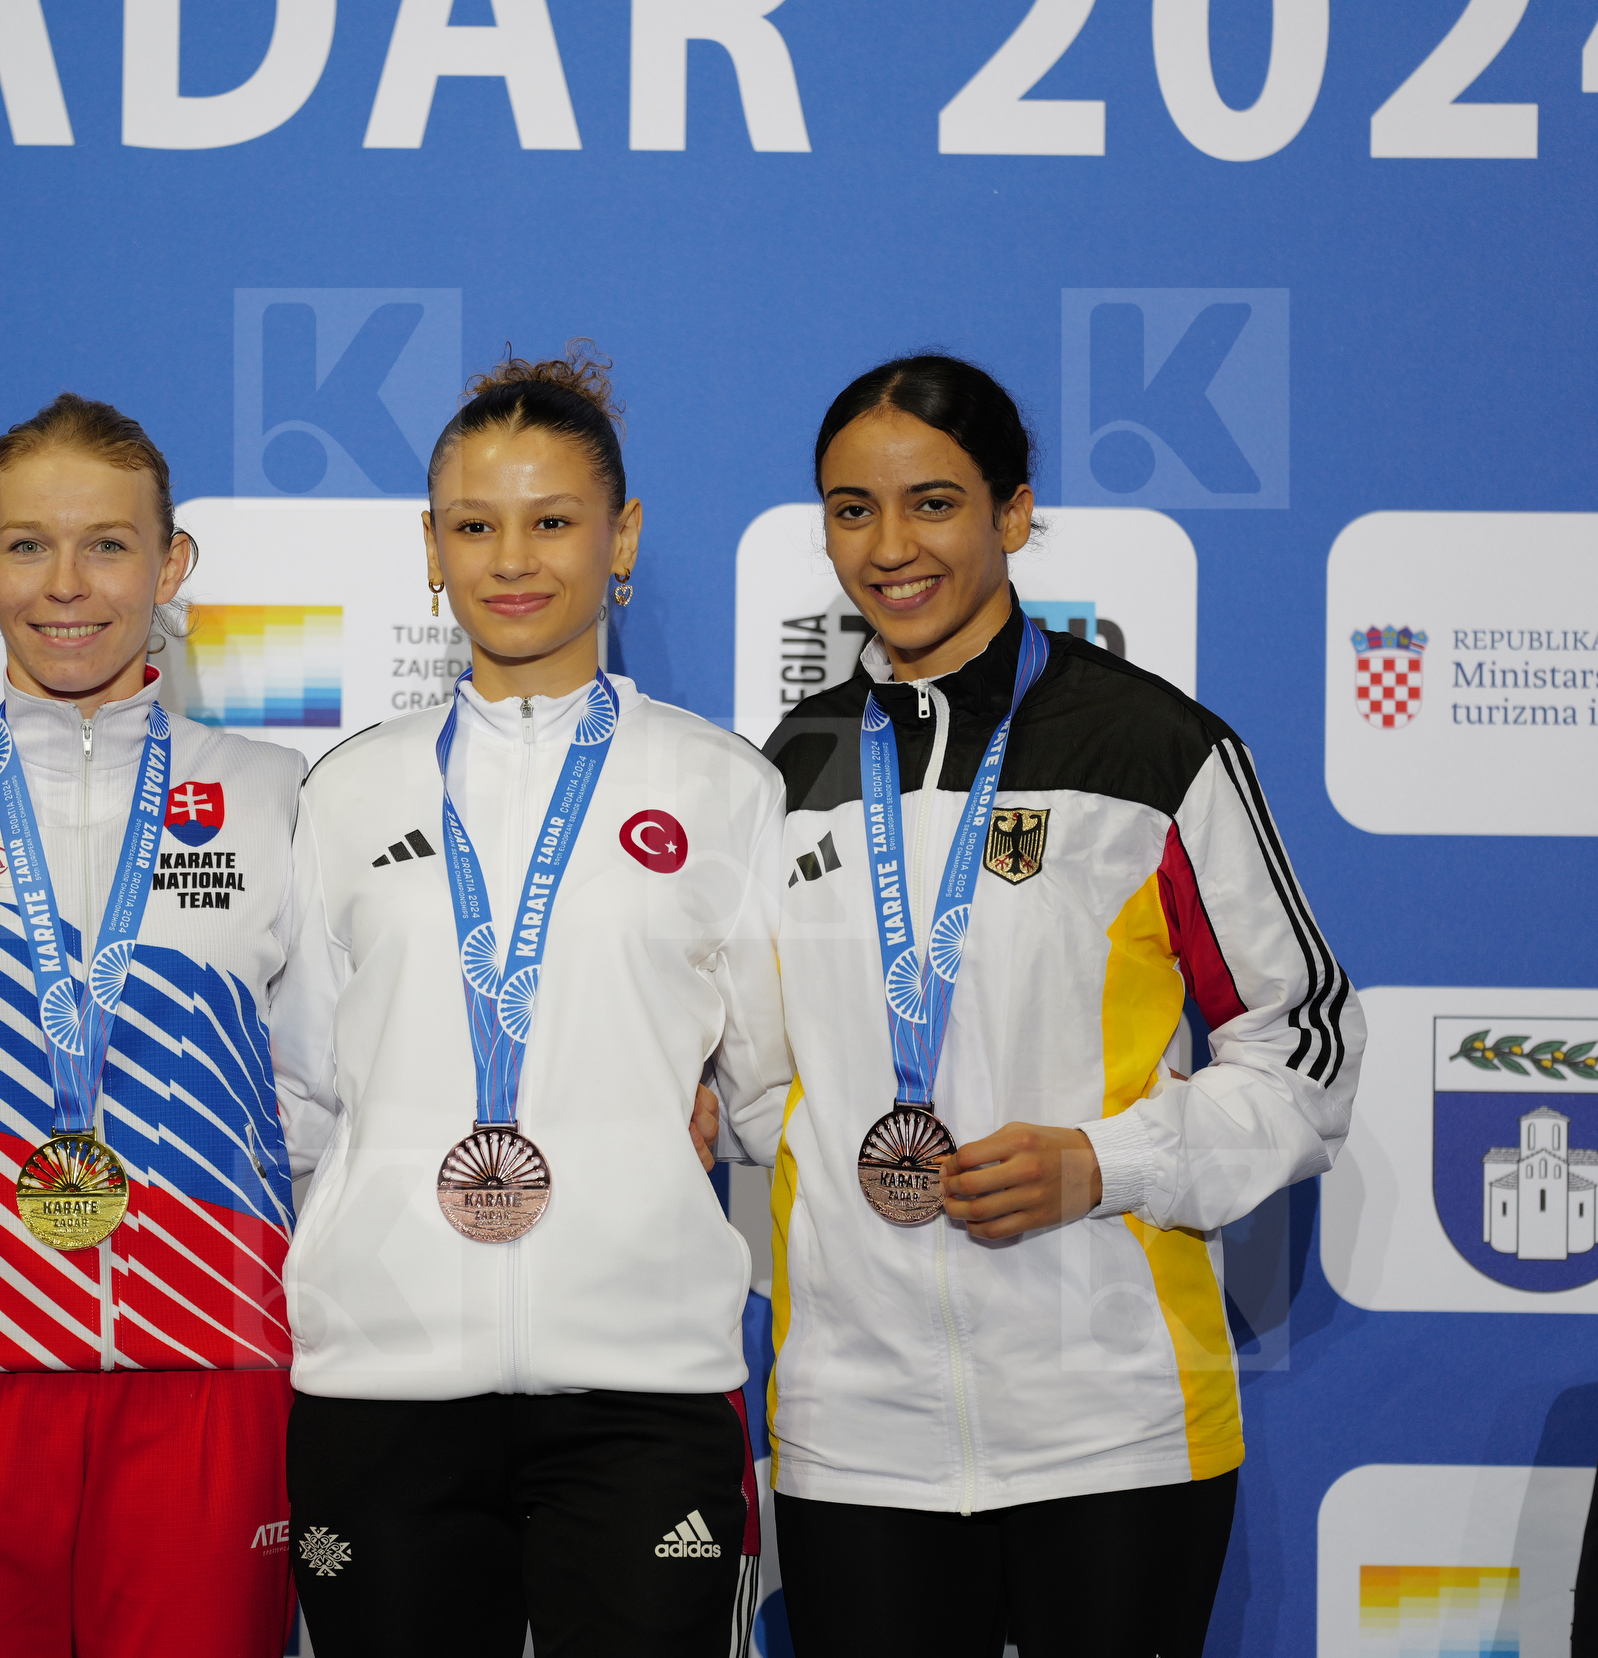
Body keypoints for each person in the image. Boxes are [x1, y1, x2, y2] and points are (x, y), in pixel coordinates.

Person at [751, 355, 1363, 1658]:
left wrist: (1108, 1160)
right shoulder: (786, 770)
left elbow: (1305, 1046)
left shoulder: (1153, 750)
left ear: (1013, 513)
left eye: (933, 502)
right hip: (857, 1434)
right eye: (851, 508)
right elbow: (758, 1069)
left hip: (1114, 1421)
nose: (889, 545)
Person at [273, 347, 776, 1658]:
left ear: (624, 533)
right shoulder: (345, 791)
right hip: (382, 1381)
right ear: (429, 547)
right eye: (475, 524)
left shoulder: (724, 785)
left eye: (553, 519)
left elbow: (774, 1086)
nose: (514, 557)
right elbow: (306, 1096)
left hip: (642, 1384)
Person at [0, 393, 308, 1658]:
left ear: (171, 563)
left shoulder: (280, 797)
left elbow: (335, 1084)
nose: (66, 584)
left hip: (209, 1366)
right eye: (27, 545)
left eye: (107, 543)